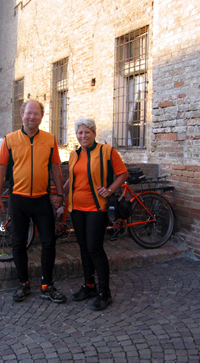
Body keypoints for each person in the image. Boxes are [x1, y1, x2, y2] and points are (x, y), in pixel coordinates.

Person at [0, 99, 67, 304]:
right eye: (28, 113)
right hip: (18, 199)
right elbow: (0, 170)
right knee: (18, 243)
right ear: (22, 115)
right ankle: (23, 283)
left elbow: (56, 169)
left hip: (42, 199)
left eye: (36, 113)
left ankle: (46, 285)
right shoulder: (10, 139)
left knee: (49, 242)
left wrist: (60, 194)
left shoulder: (50, 139)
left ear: (42, 116)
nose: (32, 117)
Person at [64, 117, 128, 311]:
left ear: (94, 133)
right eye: (80, 132)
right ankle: (89, 285)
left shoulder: (107, 151)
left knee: (95, 248)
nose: (83, 136)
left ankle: (105, 293)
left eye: (87, 132)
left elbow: (123, 174)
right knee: (83, 248)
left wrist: (109, 190)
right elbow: (71, 180)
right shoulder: (74, 155)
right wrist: (60, 195)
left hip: (96, 208)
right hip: (76, 208)